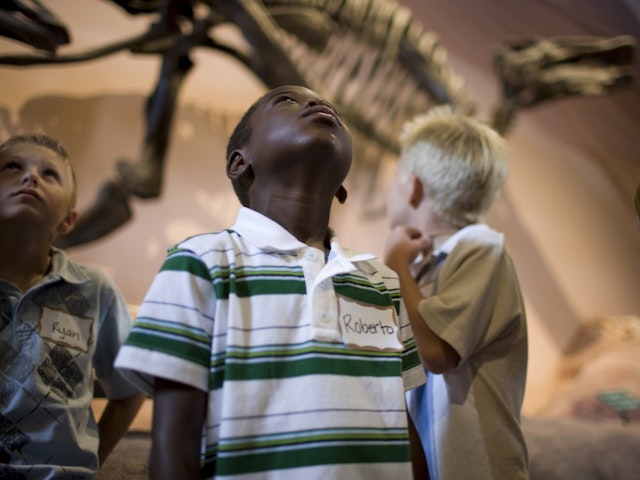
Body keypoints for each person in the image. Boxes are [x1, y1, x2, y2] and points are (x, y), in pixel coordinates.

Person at [115, 84, 426, 479]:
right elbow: (173, 441)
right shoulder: (199, 263)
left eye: (331, 108)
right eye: (286, 100)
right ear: (239, 163)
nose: (317, 103)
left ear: (342, 186)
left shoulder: (380, 282)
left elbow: (400, 422)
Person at [384, 105, 529, 479]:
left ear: (412, 185)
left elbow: (437, 353)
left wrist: (394, 263)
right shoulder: (422, 268)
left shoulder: (482, 247)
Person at [0, 134, 146, 478]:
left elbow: (132, 387)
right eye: (11, 166)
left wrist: (91, 458)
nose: (30, 176)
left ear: (68, 219)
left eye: (49, 174)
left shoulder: (94, 290)